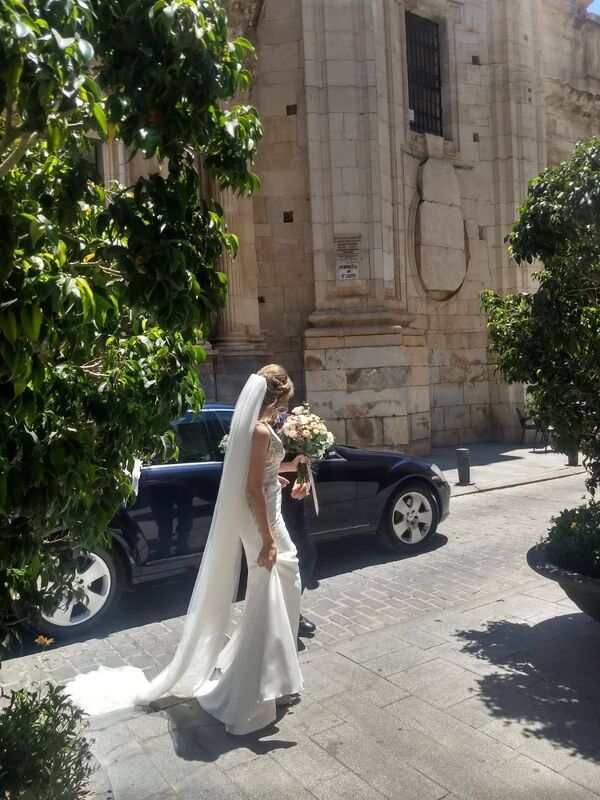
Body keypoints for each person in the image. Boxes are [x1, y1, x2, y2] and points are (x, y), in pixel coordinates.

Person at [66, 365, 307, 736]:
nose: (283, 408)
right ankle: (252, 688)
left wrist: (290, 466)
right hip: (263, 522)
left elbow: (260, 475)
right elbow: (251, 488)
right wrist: (269, 540)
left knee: (280, 587)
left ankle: (274, 675)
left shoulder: (255, 429)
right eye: (284, 400)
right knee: (275, 586)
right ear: (275, 397)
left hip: (266, 513)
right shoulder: (259, 430)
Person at [277, 413, 318, 639]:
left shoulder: (289, 420)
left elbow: (302, 457)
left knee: (305, 555)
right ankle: (286, 615)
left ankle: (290, 611)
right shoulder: (262, 424)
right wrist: (291, 466)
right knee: (288, 560)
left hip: (294, 500)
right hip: (273, 498)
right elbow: (255, 467)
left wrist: (302, 475)